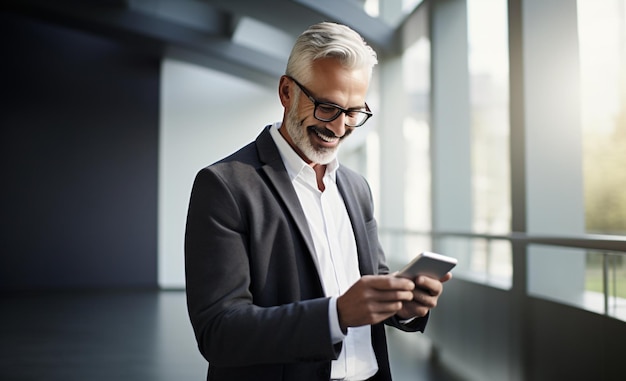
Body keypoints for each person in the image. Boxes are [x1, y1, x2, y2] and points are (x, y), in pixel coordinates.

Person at [184, 22, 452, 381]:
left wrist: (404, 305)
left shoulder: (357, 188)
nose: (340, 128)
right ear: (286, 91)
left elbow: (374, 280)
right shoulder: (224, 187)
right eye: (327, 107)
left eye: (354, 112)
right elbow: (219, 331)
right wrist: (336, 315)